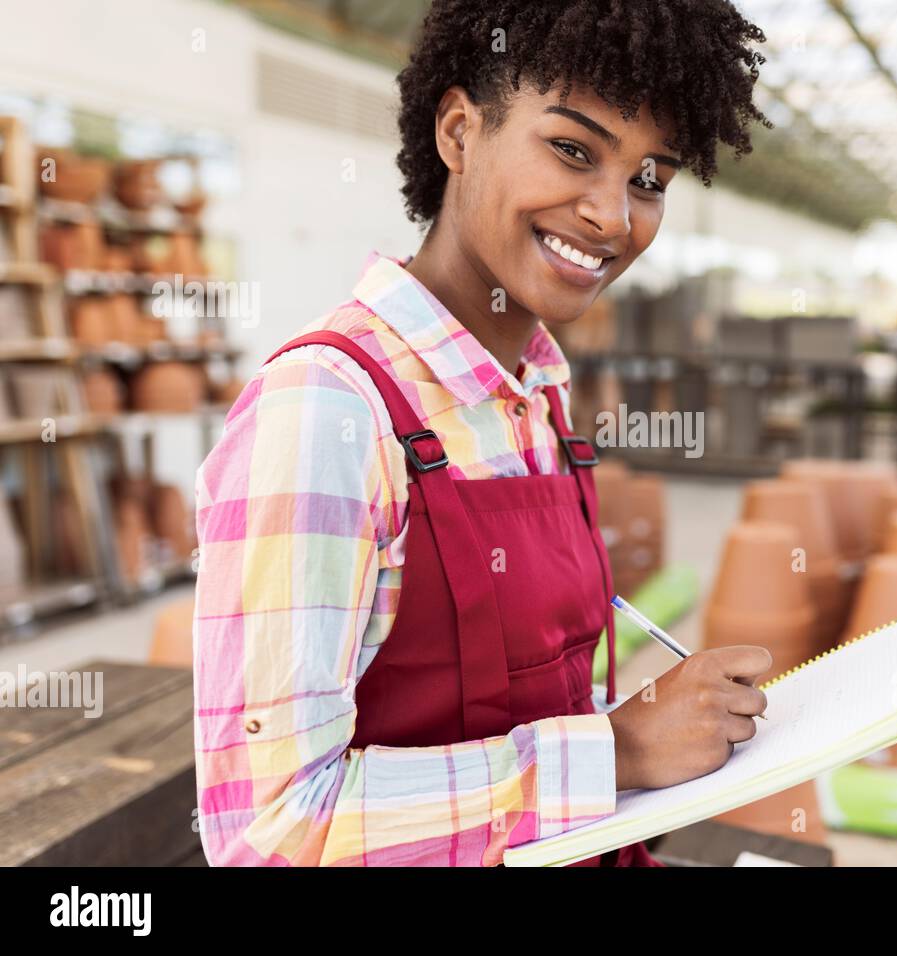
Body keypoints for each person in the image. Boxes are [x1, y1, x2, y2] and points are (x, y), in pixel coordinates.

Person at [193, 0, 773, 866]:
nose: (614, 217)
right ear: (460, 132)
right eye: (574, 151)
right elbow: (267, 830)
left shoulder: (537, 392)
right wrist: (618, 752)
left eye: (649, 178)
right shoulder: (328, 412)